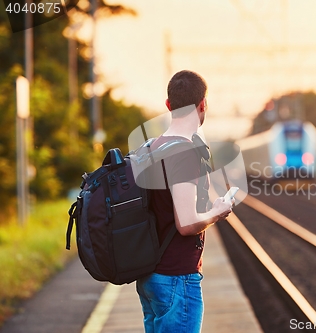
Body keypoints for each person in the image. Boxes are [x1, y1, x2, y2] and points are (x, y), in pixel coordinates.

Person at [136, 70, 234, 333]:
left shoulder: (150, 148)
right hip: (176, 279)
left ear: (168, 105)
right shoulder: (184, 153)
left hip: (151, 276)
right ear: (203, 105)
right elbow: (186, 224)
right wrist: (217, 211)